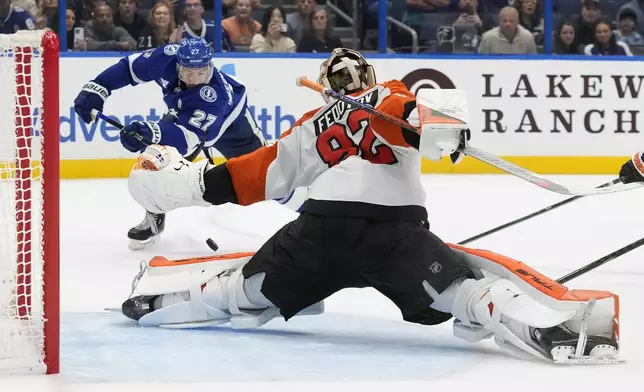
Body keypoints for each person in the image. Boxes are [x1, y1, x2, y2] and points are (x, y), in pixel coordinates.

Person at [121, 48, 620, 364]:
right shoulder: (391, 98)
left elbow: (257, 176)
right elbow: (432, 125)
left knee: (250, 290)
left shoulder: (313, 124)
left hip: (318, 233)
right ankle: (540, 326)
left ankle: (164, 303)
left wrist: (188, 184)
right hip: (392, 234)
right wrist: (443, 130)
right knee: (463, 289)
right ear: (371, 76)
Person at [73, 37, 267, 250]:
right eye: (188, 73)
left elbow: (188, 139)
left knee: (266, 173)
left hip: (234, 127)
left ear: (210, 66)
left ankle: (307, 212)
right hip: (186, 115)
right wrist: (99, 86)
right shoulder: (166, 57)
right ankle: (154, 216)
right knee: (154, 160)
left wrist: (149, 131)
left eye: (202, 72)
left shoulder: (215, 96)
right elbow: (129, 69)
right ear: (178, 65)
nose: (194, 79)